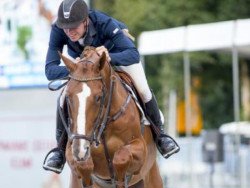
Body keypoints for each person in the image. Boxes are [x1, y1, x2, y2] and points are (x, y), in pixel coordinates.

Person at [43, 0, 179, 174]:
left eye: (74, 26)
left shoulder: (103, 23)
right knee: (63, 97)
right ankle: (60, 151)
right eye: (65, 27)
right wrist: (76, 68)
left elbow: (132, 54)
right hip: (84, 71)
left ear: (86, 20)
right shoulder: (58, 29)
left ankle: (161, 137)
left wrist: (108, 58)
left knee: (143, 90)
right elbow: (50, 70)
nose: (69, 32)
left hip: (116, 58)